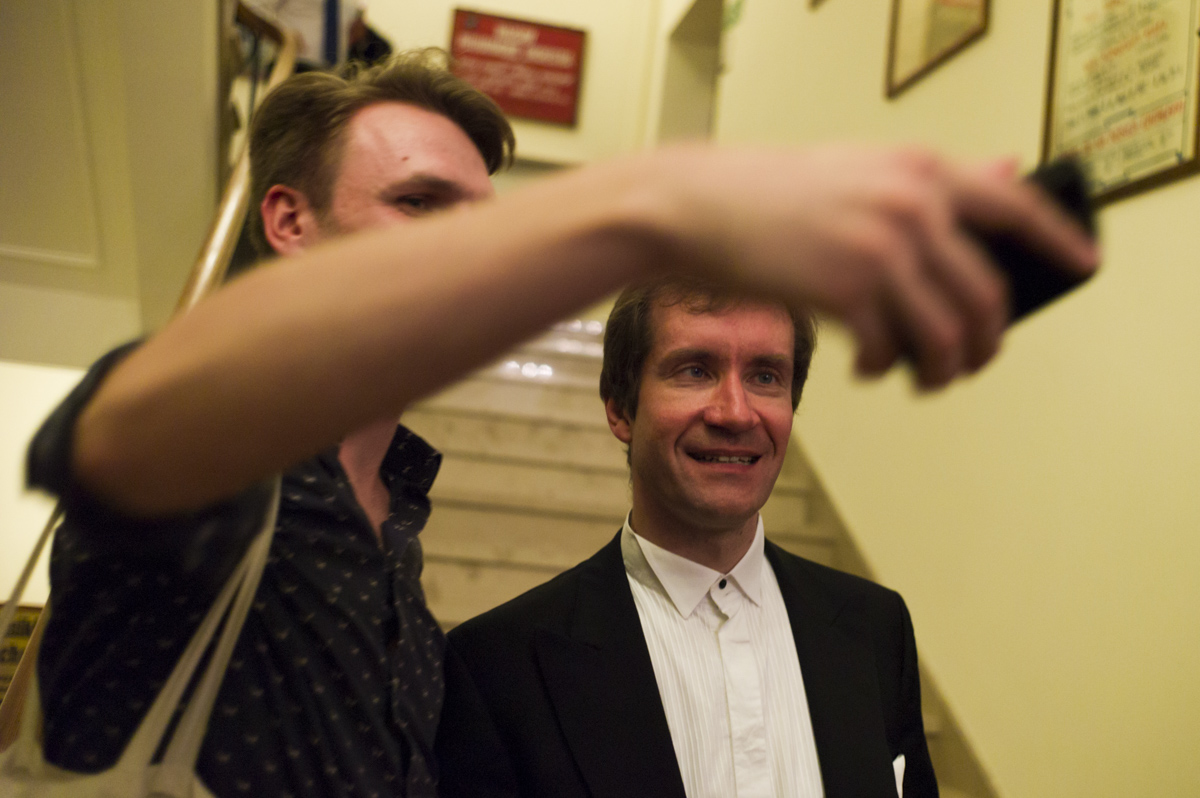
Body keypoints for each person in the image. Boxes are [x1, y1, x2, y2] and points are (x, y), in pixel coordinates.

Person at [24, 45, 1095, 798]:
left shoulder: (396, 543)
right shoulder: (221, 481)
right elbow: (118, 430)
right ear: (287, 221)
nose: (466, 255)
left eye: (480, 223)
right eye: (419, 205)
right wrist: (652, 204)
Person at [434, 280, 933, 798]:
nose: (735, 413)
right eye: (695, 371)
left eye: (765, 376)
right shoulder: (497, 670)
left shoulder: (875, 630)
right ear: (620, 409)